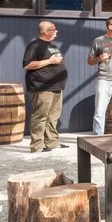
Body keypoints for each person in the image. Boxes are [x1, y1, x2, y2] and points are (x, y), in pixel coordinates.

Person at [23, 21, 67, 152]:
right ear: (44, 31)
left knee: (53, 117)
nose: (57, 31)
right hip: (42, 87)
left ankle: (52, 143)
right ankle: (36, 146)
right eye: (54, 29)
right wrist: (50, 61)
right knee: (40, 116)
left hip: (56, 86)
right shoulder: (34, 45)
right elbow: (27, 65)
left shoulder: (52, 45)